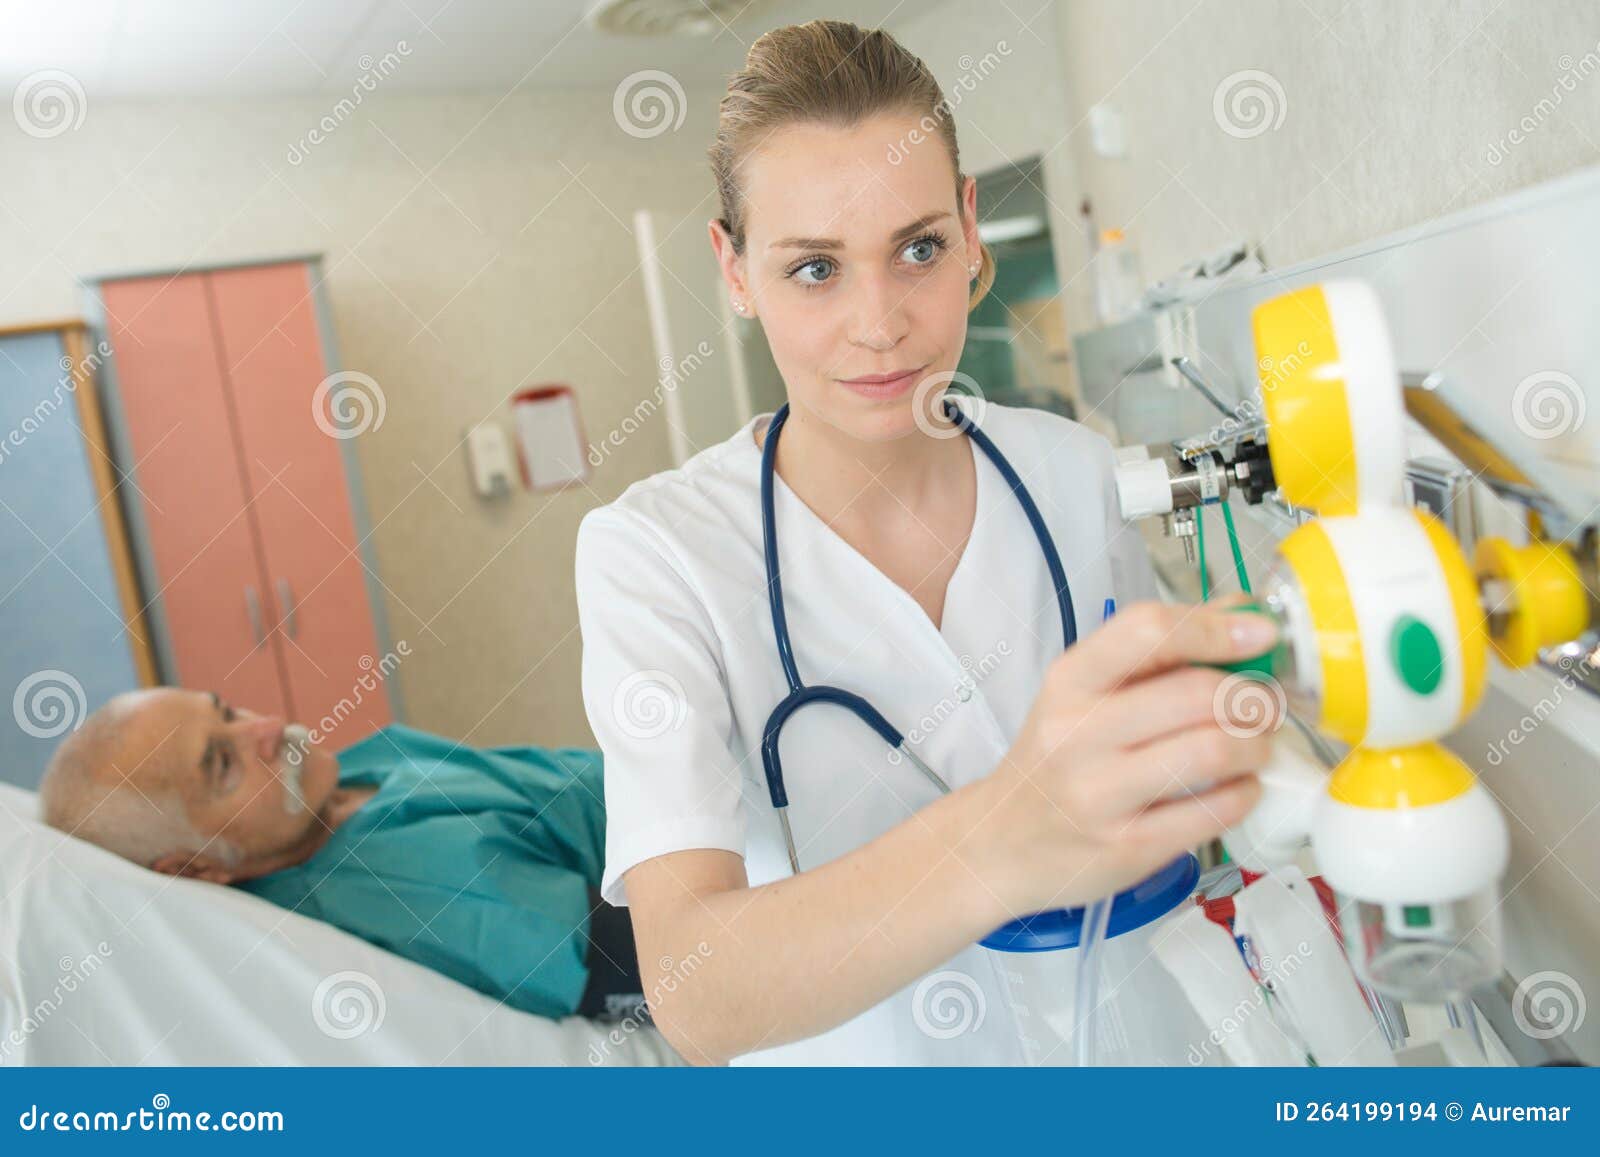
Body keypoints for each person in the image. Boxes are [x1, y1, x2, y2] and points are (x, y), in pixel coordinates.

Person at [574, 20, 1278, 1065]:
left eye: (917, 249)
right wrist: (1010, 833)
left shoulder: (1074, 473)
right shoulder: (656, 553)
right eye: (814, 268)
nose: (881, 321)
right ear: (732, 271)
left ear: (969, 231)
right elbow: (694, 991)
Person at [38, 688, 643, 1022]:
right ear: (197, 867)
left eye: (230, 712)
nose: (267, 726)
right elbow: (648, 960)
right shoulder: (401, 891)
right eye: (223, 763)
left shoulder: (349, 773)